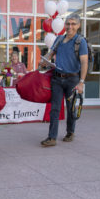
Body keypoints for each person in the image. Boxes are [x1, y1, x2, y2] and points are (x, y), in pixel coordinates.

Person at [39, 13, 88, 147]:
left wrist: (81, 82)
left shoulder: (80, 41)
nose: (70, 26)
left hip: (72, 80)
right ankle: (52, 137)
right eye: (68, 23)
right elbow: (51, 53)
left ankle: (70, 132)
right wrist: (45, 60)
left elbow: (84, 62)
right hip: (57, 79)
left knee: (71, 108)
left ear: (78, 26)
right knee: (54, 108)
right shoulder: (59, 39)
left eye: (73, 24)